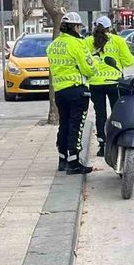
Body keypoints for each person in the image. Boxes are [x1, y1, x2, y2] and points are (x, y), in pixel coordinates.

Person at [47, 12, 97, 175]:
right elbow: (88, 68)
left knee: (64, 124)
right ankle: (74, 162)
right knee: (76, 125)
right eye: (78, 27)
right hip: (77, 90)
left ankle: (62, 159)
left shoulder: (54, 45)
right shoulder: (78, 44)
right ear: (75, 27)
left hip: (60, 91)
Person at [85, 16, 134, 157]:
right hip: (115, 83)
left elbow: (84, 60)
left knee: (100, 114)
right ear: (110, 27)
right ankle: (117, 142)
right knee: (117, 114)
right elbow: (129, 61)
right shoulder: (118, 40)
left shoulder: (87, 41)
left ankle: (102, 145)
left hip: (95, 83)